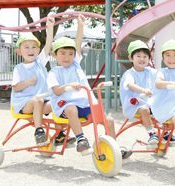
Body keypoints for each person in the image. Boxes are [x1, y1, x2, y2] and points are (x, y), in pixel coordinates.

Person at [47, 15, 131, 159]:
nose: (67, 57)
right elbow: (56, 90)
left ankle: (113, 147)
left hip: (86, 104)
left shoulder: (76, 65)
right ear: (54, 55)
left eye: (70, 53)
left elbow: (78, 42)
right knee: (71, 108)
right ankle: (81, 139)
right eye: (62, 53)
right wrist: (69, 86)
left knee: (108, 120)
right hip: (65, 106)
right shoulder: (53, 73)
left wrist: (81, 25)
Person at [11, 17, 74, 147]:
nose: (31, 50)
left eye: (34, 47)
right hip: (24, 103)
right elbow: (16, 87)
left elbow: (48, 44)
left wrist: (49, 28)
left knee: (60, 101)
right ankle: (39, 131)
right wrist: (28, 82)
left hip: (42, 100)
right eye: (26, 47)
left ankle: (59, 133)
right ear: (19, 51)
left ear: (38, 51)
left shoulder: (40, 62)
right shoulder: (18, 69)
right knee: (37, 100)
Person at [120, 40, 175, 148]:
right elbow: (130, 85)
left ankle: (165, 132)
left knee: (163, 104)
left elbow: (161, 75)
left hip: (148, 102)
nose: (142, 59)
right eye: (138, 56)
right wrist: (143, 90)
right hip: (134, 104)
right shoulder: (129, 73)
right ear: (131, 58)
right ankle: (152, 133)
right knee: (144, 109)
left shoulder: (150, 71)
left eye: (145, 56)